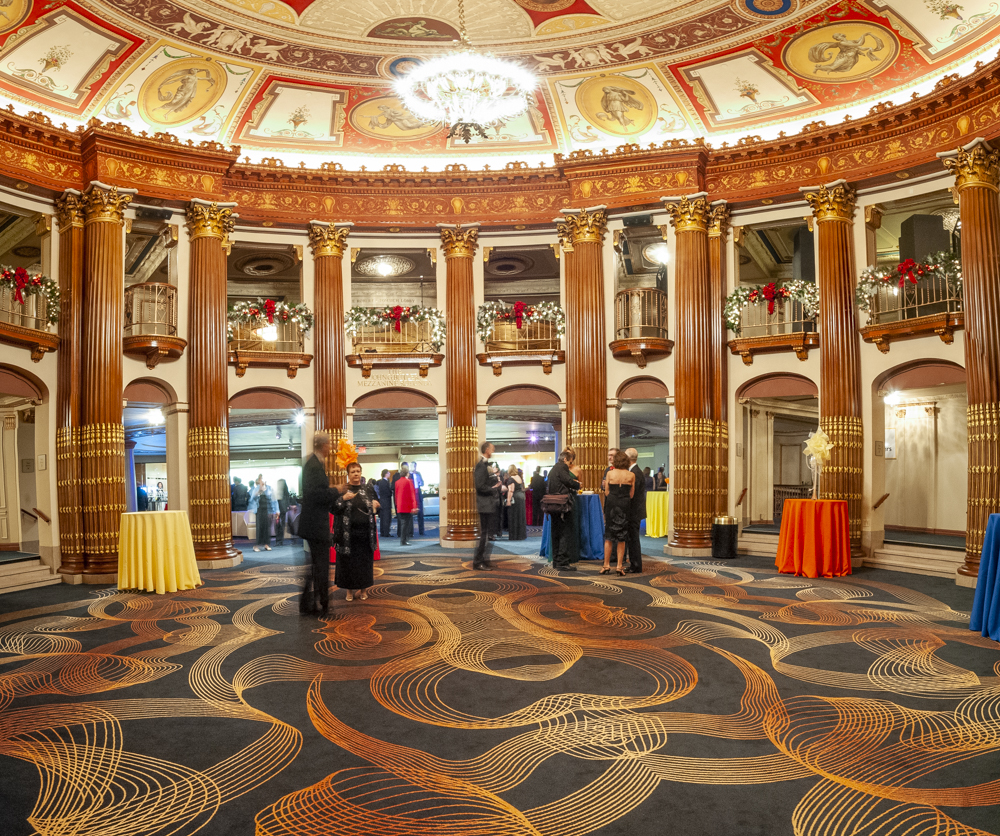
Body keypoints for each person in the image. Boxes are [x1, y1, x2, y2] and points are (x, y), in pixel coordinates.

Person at [298, 433, 340, 616]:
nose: (330, 447)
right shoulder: (314, 465)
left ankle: (308, 603)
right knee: (321, 566)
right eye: (329, 444)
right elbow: (315, 495)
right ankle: (322, 603)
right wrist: (336, 491)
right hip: (315, 525)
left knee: (316, 566)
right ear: (323, 445)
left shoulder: (313, 463)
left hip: (313, 524)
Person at [333, 461, 379, 601]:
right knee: (349, 564)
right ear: (348, 474)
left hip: (365, 534)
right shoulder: (343, 490)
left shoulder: (368, 489)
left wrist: (376, 506)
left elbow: (376, 506)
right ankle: (349, 591)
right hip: (347, 535)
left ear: (361, 473)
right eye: (353, 471)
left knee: (364, 563)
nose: (356, 474)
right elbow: (334, 508)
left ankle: (363, 590)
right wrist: (342, 499)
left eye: (358, 471)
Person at [547, 447, 581, 572]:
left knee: (555, 532)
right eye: (570, 461)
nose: (570, 464)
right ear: (565, 459)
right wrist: (578, 484)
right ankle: (562, 562)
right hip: (562, 505)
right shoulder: (562, 467)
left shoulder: (554, 468)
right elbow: (568, 481)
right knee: (564, 532)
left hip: (553, 504)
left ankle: (556, 560)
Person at [601, 450, 635, 576]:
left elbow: (606, 492)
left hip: (612, 504)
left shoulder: (610, 473)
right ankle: (620, 566)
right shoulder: (631, 475)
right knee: (622, 537)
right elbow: (631, 494)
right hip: (625, 504)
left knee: (609, 536)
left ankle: (606, 565)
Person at [473, 441, 502, 569]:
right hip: (484, 504)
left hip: (488, 504)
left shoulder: (486, 466)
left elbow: (485, 482)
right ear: (487, 450)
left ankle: (482, 559)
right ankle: (478, 562)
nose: (493, 451)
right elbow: (479, 486)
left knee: (487, 534)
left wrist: (494, 481)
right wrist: (493, 488)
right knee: (484, 535)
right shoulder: (481, 466)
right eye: (492, 449)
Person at [625, 448, 646, 574]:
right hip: (635, 511)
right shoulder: (636, 471)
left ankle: (636, 565)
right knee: (632, 538)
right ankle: (634, 564)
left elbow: (632, 494)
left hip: (634, 511)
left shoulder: (635, 473)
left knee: (633, 539)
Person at [249, 475, 275, 552]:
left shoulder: (268, 488)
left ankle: (266, 544)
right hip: (259, 510)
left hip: (267, 510)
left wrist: (275, 510)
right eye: (260, 480)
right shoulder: (255, 489)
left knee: (267, 528)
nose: (262, 481)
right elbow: (252, 498)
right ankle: (256, 546)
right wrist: (260, 490)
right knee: (260, 528)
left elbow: (272, 498)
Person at [395, 463, 417, 545]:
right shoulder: (409, 482)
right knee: (406, 524)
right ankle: (404, 540)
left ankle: (403, 539)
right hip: (407, 506)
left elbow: (396, 495)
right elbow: (412, 495)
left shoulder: (397, 482)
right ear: (407, 473)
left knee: (403, 523)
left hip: (400, 506)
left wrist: (397, 505)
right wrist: (414, 506)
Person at [506, 464, 527, 541]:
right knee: (520, 516)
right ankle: (521, 535)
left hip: (515, 498)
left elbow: (511, 490)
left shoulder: (511, 479)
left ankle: (514, 535)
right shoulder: (519, 477)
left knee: (513, 516)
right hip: (521, 497)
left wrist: (508, 500)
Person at [375, 469, 393, 537]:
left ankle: (383, 532)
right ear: (385, 474)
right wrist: (391, 492)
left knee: (383, 518)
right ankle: (386, 532)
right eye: (388, 473)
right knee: (386, 518)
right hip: (386, 502)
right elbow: (388, 492)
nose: (389, 474)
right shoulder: (385, 482)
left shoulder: (381, 482)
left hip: (382, 502)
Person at [409, 461, 425, 535]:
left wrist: (420, 482)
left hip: (418, 494)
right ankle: (411, 532)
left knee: (420, 514)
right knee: (410, 515)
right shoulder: (408, 474)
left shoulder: (418, 474)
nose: (414, 467)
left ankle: (421, 531)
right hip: (411, 495)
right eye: (412, 466)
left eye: (415, 466)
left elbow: (422, 483)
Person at [275, 478, 290, 546]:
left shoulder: (280, 493)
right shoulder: (280, 493)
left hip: (281, 509)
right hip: (280, 509)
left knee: (280, 524)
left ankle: (279, 540)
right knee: (279, 524)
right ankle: (279, 540)